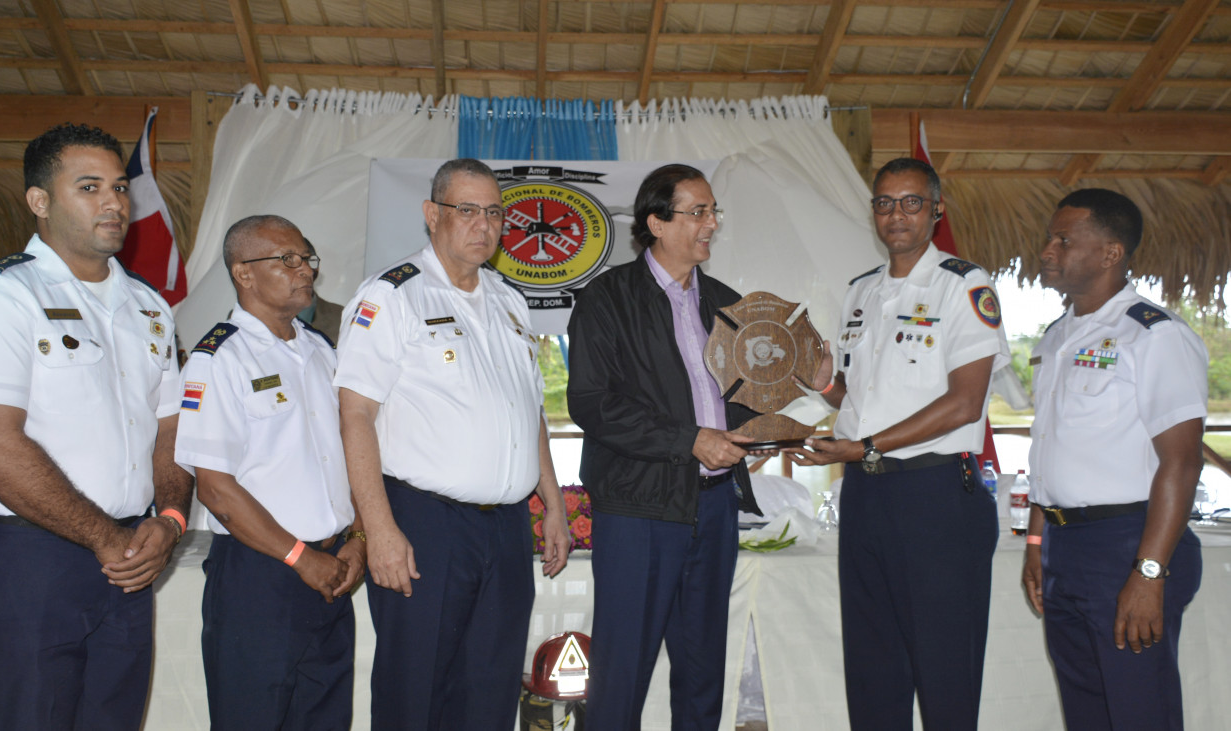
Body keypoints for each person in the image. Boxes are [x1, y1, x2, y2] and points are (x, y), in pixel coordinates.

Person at [0, 122, 194, 730]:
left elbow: (172, 431)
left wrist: (170, 520)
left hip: (130, 551)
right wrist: (105, 538)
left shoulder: (149, 306)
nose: (113, 203)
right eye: (88, 187)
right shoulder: (0, 296)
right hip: (31, 554)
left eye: (119, 187)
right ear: (39, 201)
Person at [335, 157, 571, 729]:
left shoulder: (509, 300)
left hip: (506, 527)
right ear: (432, 214)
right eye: (467, 210)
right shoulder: (392, 296)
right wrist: (379, 530)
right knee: (415, 692)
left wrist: (554, 503)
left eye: (494, 213)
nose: (483, 225)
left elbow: (529, 412)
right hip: (425, 523)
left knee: (490, 692)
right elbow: (355, 415)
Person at [791, 157, 1008, 730]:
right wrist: (826, 386)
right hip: (867, 496)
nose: (897, 215)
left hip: (935, 496)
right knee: (873, 670)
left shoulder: (963, 284)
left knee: (944, 673)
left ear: (936, 211)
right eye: (885, 203)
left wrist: (866, 446)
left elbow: (965, 403)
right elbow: (860, 402)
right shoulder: (861, 291)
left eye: (912, 202)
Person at [566, 163, 764, 730]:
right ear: (656, 222)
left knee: (703, 670)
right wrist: (691, 440)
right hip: (639, 507)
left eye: (713, 211)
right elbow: (592, 403)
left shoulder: (727, 303)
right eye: (697, 212)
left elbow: (743, 398)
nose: (711, 223)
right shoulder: (607, 298)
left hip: (715, 505)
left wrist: (771, 419)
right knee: (623, 670)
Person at [1022, 189, 1206, 731]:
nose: (1048, 251)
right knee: (1087, 711)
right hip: (1064, 544)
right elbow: (1051, 448)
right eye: (1049, 238)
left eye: (1064, 240)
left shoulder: (1153, 334)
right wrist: (1036, 541)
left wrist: (1149, 573)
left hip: (1130, 543)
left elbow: (1181, 462)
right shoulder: (1057, 338)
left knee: (1138, 712)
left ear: (1110, 253)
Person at [173, 215, 365, 730]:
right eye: (288, 260)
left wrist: (358, 539)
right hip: (262, 575)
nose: (305, 271)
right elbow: (216, 489)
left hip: (331, 569)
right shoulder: (219, 358)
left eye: (307, 259)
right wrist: (301, 558)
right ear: (244, 273)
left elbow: (347, 459)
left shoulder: (320, 350)